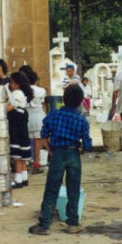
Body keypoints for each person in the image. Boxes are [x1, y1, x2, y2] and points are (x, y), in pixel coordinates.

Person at [28, 84, 92, 235]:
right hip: (73, 155)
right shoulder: (82, 120)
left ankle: (44, 225)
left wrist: (50, 150)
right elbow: (87, 144)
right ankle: (73, 223)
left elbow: (43, 134)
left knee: (52, 188)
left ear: (63, 99)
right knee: (73, 190)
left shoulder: (53, 115)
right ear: (80, 102)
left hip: (57, 155)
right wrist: (81, 149)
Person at [7, 72, 33, 189]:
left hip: (16, 125)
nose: (10, 85)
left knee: (17, 154)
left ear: (17, 84)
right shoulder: (22, 93)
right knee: (23, 153)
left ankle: (17, 179)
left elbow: (10, 107)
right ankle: (24, 177)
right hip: (22, 125)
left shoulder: (16, 93)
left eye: (11, 82)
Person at [23, 68, 46, 174]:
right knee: (38, 141)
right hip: (38, 116)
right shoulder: (42, 91)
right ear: (35, 80)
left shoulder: (22, 91)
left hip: (26, 117)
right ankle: (37, 163)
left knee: (26, 141)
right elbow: (43, 102)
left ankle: (26, 164)